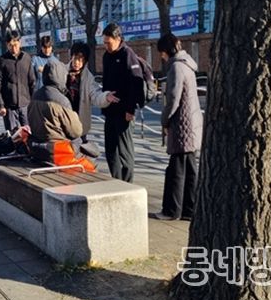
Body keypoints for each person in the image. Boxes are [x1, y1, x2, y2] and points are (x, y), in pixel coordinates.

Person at [152, 34, 202, 221]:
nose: (162, 57)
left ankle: (171, 210)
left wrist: (164, 121)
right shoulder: (188, 64)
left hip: (182, 125)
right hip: (192, 124)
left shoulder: (176, 67)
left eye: (161, 53)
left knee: (176, 171)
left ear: (166, 51)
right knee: (190, 169)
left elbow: (173, 99)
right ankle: (190, 209)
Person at [101, 23, 144, 182]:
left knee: (125, 152)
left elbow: (136, 83)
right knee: (110, 150)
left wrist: (131, 109)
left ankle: (127, 184)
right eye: (104, 43)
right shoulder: (106, 56)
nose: (106, 46)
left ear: (118, 39)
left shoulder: (127, 54)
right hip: (110, 110)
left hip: (124, 111)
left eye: (109, 43)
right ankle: (116, 181)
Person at [66, 42, 118, 143]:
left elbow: (95, 95)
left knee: (80, 150)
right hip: (63, 123)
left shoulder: (88, 78)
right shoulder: (62, 72)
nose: (77, 62)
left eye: (81, 59)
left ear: (85, 61)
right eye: (75, 58)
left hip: (79, 125)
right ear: (71, 57)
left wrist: (106, 97)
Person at [0, 31, 36, 131]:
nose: (13, 48)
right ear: (7, 45)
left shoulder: (26, 58)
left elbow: (32, 82)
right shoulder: (3, 60)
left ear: (20, 43)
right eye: (10, 45)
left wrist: (34, 103)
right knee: (13, 136)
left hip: (25, 105)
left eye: (15, 45)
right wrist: (1, 106)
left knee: (29, 134)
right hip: (9, 107)